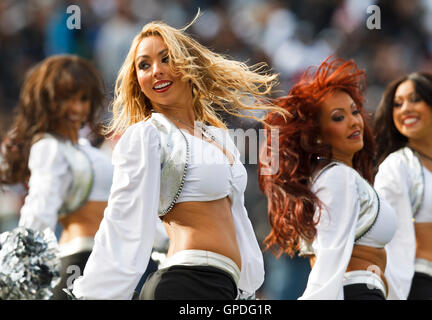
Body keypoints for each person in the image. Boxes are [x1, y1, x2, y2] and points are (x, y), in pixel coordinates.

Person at [71, 12, 285, 300]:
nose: (156, 70)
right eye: (144, 65)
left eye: (165, 58)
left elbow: (236, 218)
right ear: (138, 81)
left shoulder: (218, 136)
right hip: (185, 284)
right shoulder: (147, 136)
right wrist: (95, 295)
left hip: (227, 287)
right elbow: (122, 221)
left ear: (187, 64)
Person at [258, 56, 397, 300]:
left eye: (354, 112)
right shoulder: (337, 178)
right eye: (338, 117)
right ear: (318, 135)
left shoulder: (340, 177)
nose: (354, 121)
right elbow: (329, 260)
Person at [0, 55, 113, 299]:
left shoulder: (90, 149)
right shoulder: (49, 147)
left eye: (83, 98)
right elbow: (40, 209)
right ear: (47, 101)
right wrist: (20, 269)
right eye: (66, 99)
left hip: (113, 262)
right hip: (81, 260)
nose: (77, 108)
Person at [373, 72, 432, 300]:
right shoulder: (397, 166)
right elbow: (385, 240)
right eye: (398, 104)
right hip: (423, 286)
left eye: (415, 99)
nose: (405, 108)